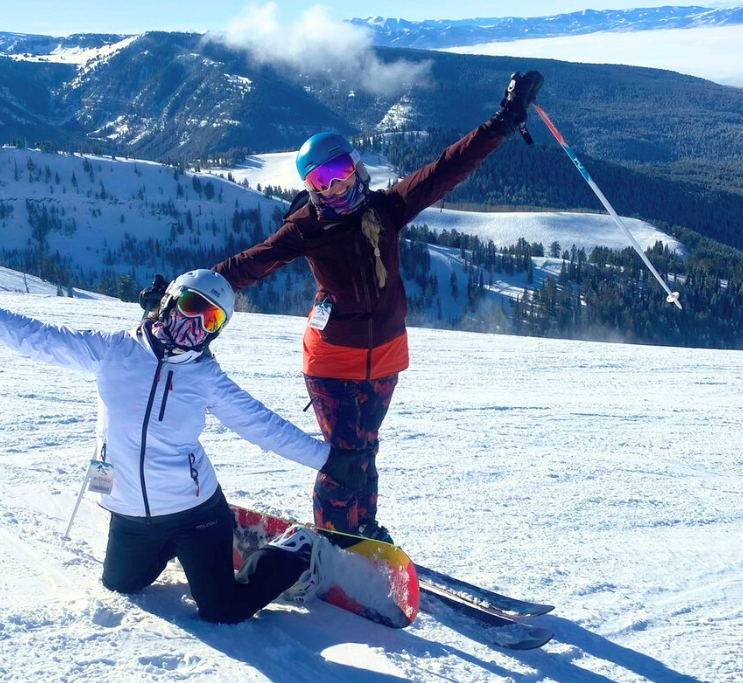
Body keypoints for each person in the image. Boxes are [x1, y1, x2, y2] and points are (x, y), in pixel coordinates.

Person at [0, 265, 369, 624]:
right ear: (170, 302)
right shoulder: (113, 351)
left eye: (210, 319)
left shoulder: (206, 378)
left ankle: (296, 549)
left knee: (223, 610)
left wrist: (329, 459)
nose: (195, 324)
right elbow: (38, 338)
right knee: (121, 586)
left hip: (194, 513)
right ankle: (186, 553)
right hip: (131, 514)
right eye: (192, 306)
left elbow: (262, 426)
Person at [210, 71, 546, 543]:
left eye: (339, 172)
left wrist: (505, 121)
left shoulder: (386, 210)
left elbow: (447, 168)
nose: (332, 187)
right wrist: (192, 288)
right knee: (344, 456)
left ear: (357, 168)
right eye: (319, 181)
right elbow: (252, 262)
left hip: (385, 357)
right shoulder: (307, 228)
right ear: (309, 188)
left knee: (365, 450)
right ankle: (334, 539)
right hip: (331, 361)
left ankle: (360, 527)